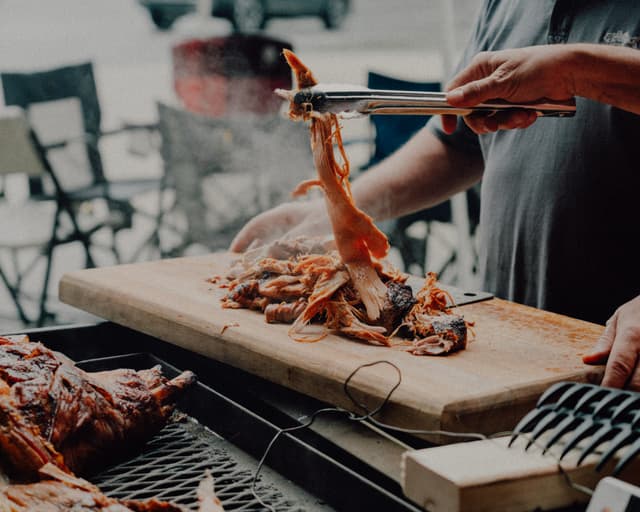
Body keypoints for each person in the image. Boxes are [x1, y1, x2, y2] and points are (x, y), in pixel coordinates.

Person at [230, 1, 640, 390]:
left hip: (622, 371)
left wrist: (575, 70)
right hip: (516, 353)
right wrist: (337, 212)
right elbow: (457, 143)